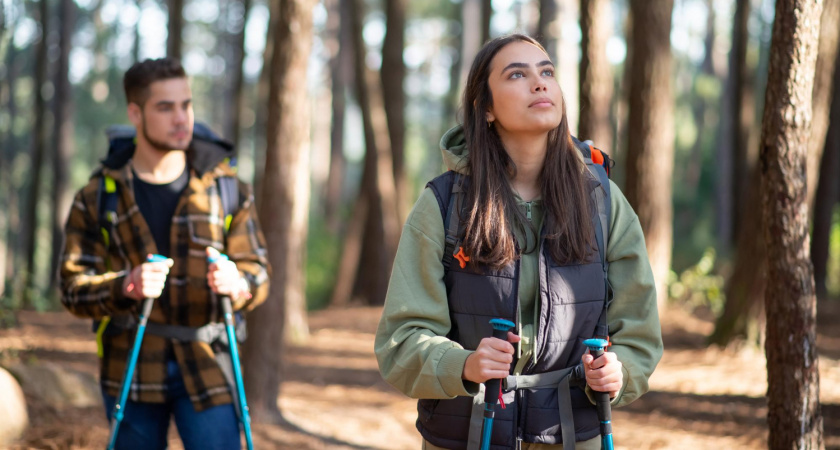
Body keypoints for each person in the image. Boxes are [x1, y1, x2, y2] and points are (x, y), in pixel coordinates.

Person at [374, 34, 663, 450]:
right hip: (466, 435)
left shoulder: (602, 200)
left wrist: (620, 373)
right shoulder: (443, 203)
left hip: (573, 435)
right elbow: (401, 339)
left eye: (546, 72)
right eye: (517, 74)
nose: (540, 83)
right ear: (486, 108)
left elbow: (638, 334)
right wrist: (465, 364)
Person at [59, 58, 270, 450]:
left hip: (209, 364)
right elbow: (72, 288)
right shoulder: (97, 196)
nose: (181, 118)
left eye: (186, 105)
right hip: (132, 367)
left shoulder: (227, 188)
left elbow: (258, 271)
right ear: (135, 113)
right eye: (165, 107)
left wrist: (239, 282)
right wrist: (125, 285)